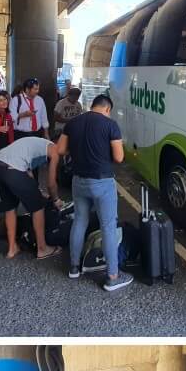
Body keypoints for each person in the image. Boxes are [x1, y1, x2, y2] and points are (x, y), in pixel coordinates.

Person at [58, 94, 133, 292]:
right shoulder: (110, 125)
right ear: (107, 109)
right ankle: (112, 277)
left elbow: (60, 150)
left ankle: (74, 268)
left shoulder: (73, 123)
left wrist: (78, 150)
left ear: (93, 106)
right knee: (108, 227)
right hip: (102, 182)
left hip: (79, 181)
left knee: (79, 221)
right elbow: (119, 157)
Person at [0, 136, 63, 260]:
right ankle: (42, 249)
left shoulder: (37, 145)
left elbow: (28, 172)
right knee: (38, 207)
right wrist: (56, 199)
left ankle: (12, 248)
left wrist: (38, 192)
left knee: (10, 207)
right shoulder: (54, 149)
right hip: (13, 170)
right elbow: (51, 183)